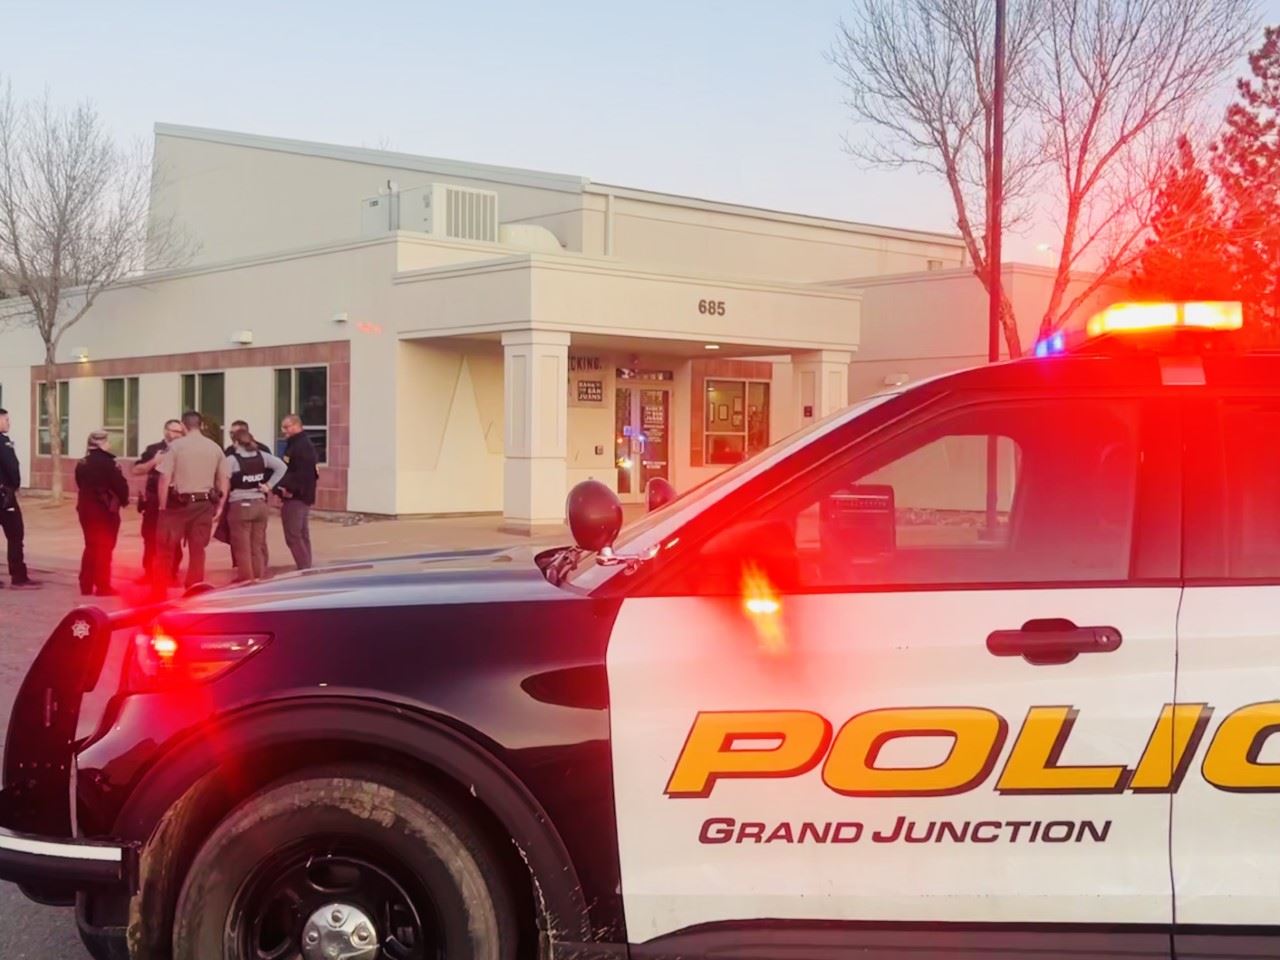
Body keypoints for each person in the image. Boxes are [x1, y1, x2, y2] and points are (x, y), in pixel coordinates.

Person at [153, 410, 230, 595]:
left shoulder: (176, 446)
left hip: (177, 505)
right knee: (198, 550)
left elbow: (164, 478)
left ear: (183, 425)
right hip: (204, 504)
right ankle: (195, 589)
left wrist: (162, 506)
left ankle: (159, 591)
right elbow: (224, 480)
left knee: (165, 549)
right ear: (201, 425)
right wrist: (220, 507)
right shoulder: (215, 448)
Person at [224, 425, 286, 583]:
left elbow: (222, 480)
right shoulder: (262, 456)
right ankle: (259, 577)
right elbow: (282, 466)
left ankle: (246, 579)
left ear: (236, 443)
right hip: (260, 504)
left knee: (242, 546)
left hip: (240, 505)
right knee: (256, 546)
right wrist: (269, 486)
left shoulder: (232, 460)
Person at [74, 430, 130, 597]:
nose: (110, 445)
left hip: (85, 508)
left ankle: (86, 585)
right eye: (108, 442)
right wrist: (124, 500)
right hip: (105, 510)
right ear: (102, 444)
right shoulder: (109, 463)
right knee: (104, 547)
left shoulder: (82, 463)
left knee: (90, 545)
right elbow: (120, 485)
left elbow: (79, 483)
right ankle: (103, 586)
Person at [133, 419, 186, 582]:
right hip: (154, 499)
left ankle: (171, 572)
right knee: (150, 536)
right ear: (165, 431)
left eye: (180, 432)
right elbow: (136, 470)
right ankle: (149, 572)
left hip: (176, 499)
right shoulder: (154, 449)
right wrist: (154, 462)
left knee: (173, 538)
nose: (177, 435)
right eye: (174, 431)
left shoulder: (185, 450)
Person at [223, 419, 272, 569]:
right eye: (230, 432)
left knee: (250, 541)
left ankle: (252, 572)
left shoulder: (260, 451)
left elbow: (224, 477)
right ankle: (247, 569)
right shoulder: (230, 451)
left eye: (234, 433)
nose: (231, 436)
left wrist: (268, 485)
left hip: (245, 499)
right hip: (248, 499)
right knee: (241, 540)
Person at [0, 408, 39, 589]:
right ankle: (18, 576)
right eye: (6, 419)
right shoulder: (3, 443)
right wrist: (14, 486)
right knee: (15, 534)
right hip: (4, 496)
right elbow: (11, 468)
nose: (9, 423)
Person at [277, 413, 318, 570]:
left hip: (297, 497)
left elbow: (304, 474)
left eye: (286, 427)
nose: (283, 430)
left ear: (296, 425)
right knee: (301, 534)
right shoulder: (295, 444)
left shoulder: (302, 446)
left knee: (293, 535)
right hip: (300, 496)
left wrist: (288, 489)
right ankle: (306, 565)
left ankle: (304, 568)